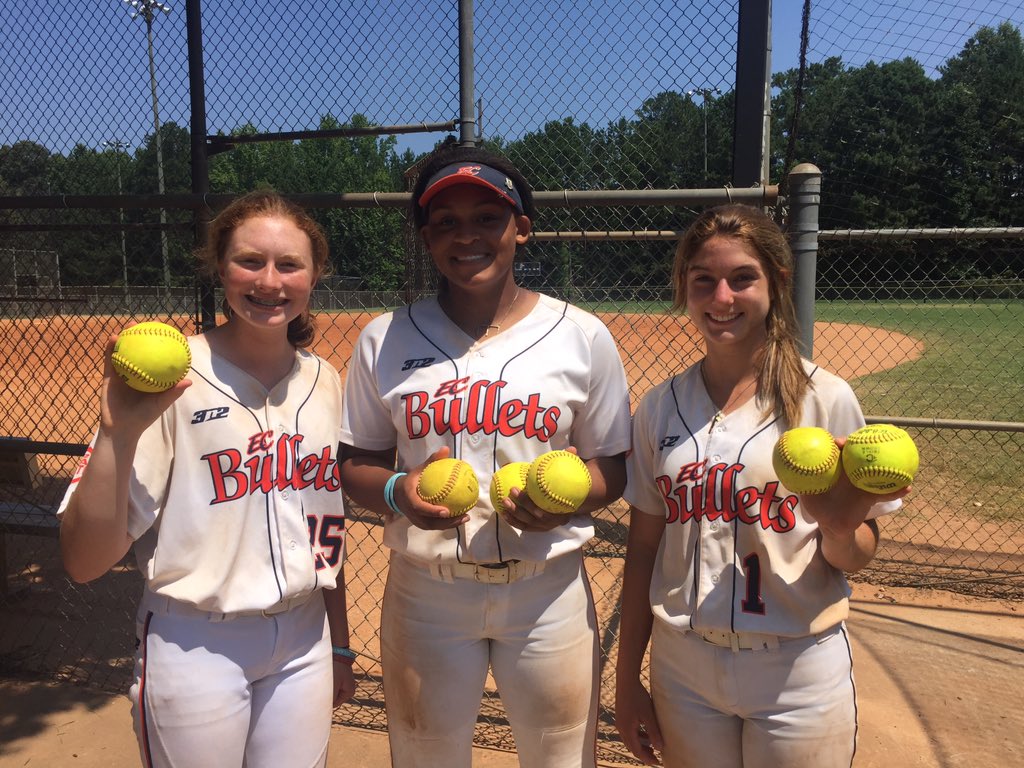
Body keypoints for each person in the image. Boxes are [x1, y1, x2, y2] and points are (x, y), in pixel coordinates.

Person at [338, 145, 632, 768]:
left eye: (486, 218)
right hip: (427, 593)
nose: (466, 235)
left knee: (562, 760)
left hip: (547, 591)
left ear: (521, 228)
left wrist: (570, 501)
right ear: (427, 238)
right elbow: (356, 461)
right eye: (446, 221)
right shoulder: (384, 338)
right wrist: (396, 493)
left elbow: (611, 465)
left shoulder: (581, 335)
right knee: (424, 757)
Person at [58, 190, 356, 768]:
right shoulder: (171, 380)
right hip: (195, 643)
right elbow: (84, 561)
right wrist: (116, 435)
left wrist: (338, 643)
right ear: (220, 267)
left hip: (305, 638)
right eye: (250, 261)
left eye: (288, 264)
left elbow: (323, 526)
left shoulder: (324, 379)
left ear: (315, 274)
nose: (269, 281)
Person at [614, 204, 910, 768]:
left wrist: (840, 529)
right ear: (684, 288)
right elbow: (644, 548)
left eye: (742, 278)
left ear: (776, 281)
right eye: (704, 280)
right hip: (684, 664)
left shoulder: (825, 398)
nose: (722, 297)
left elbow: (857, 552)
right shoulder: (659, 407)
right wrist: (627, 681)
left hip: (795, 667)